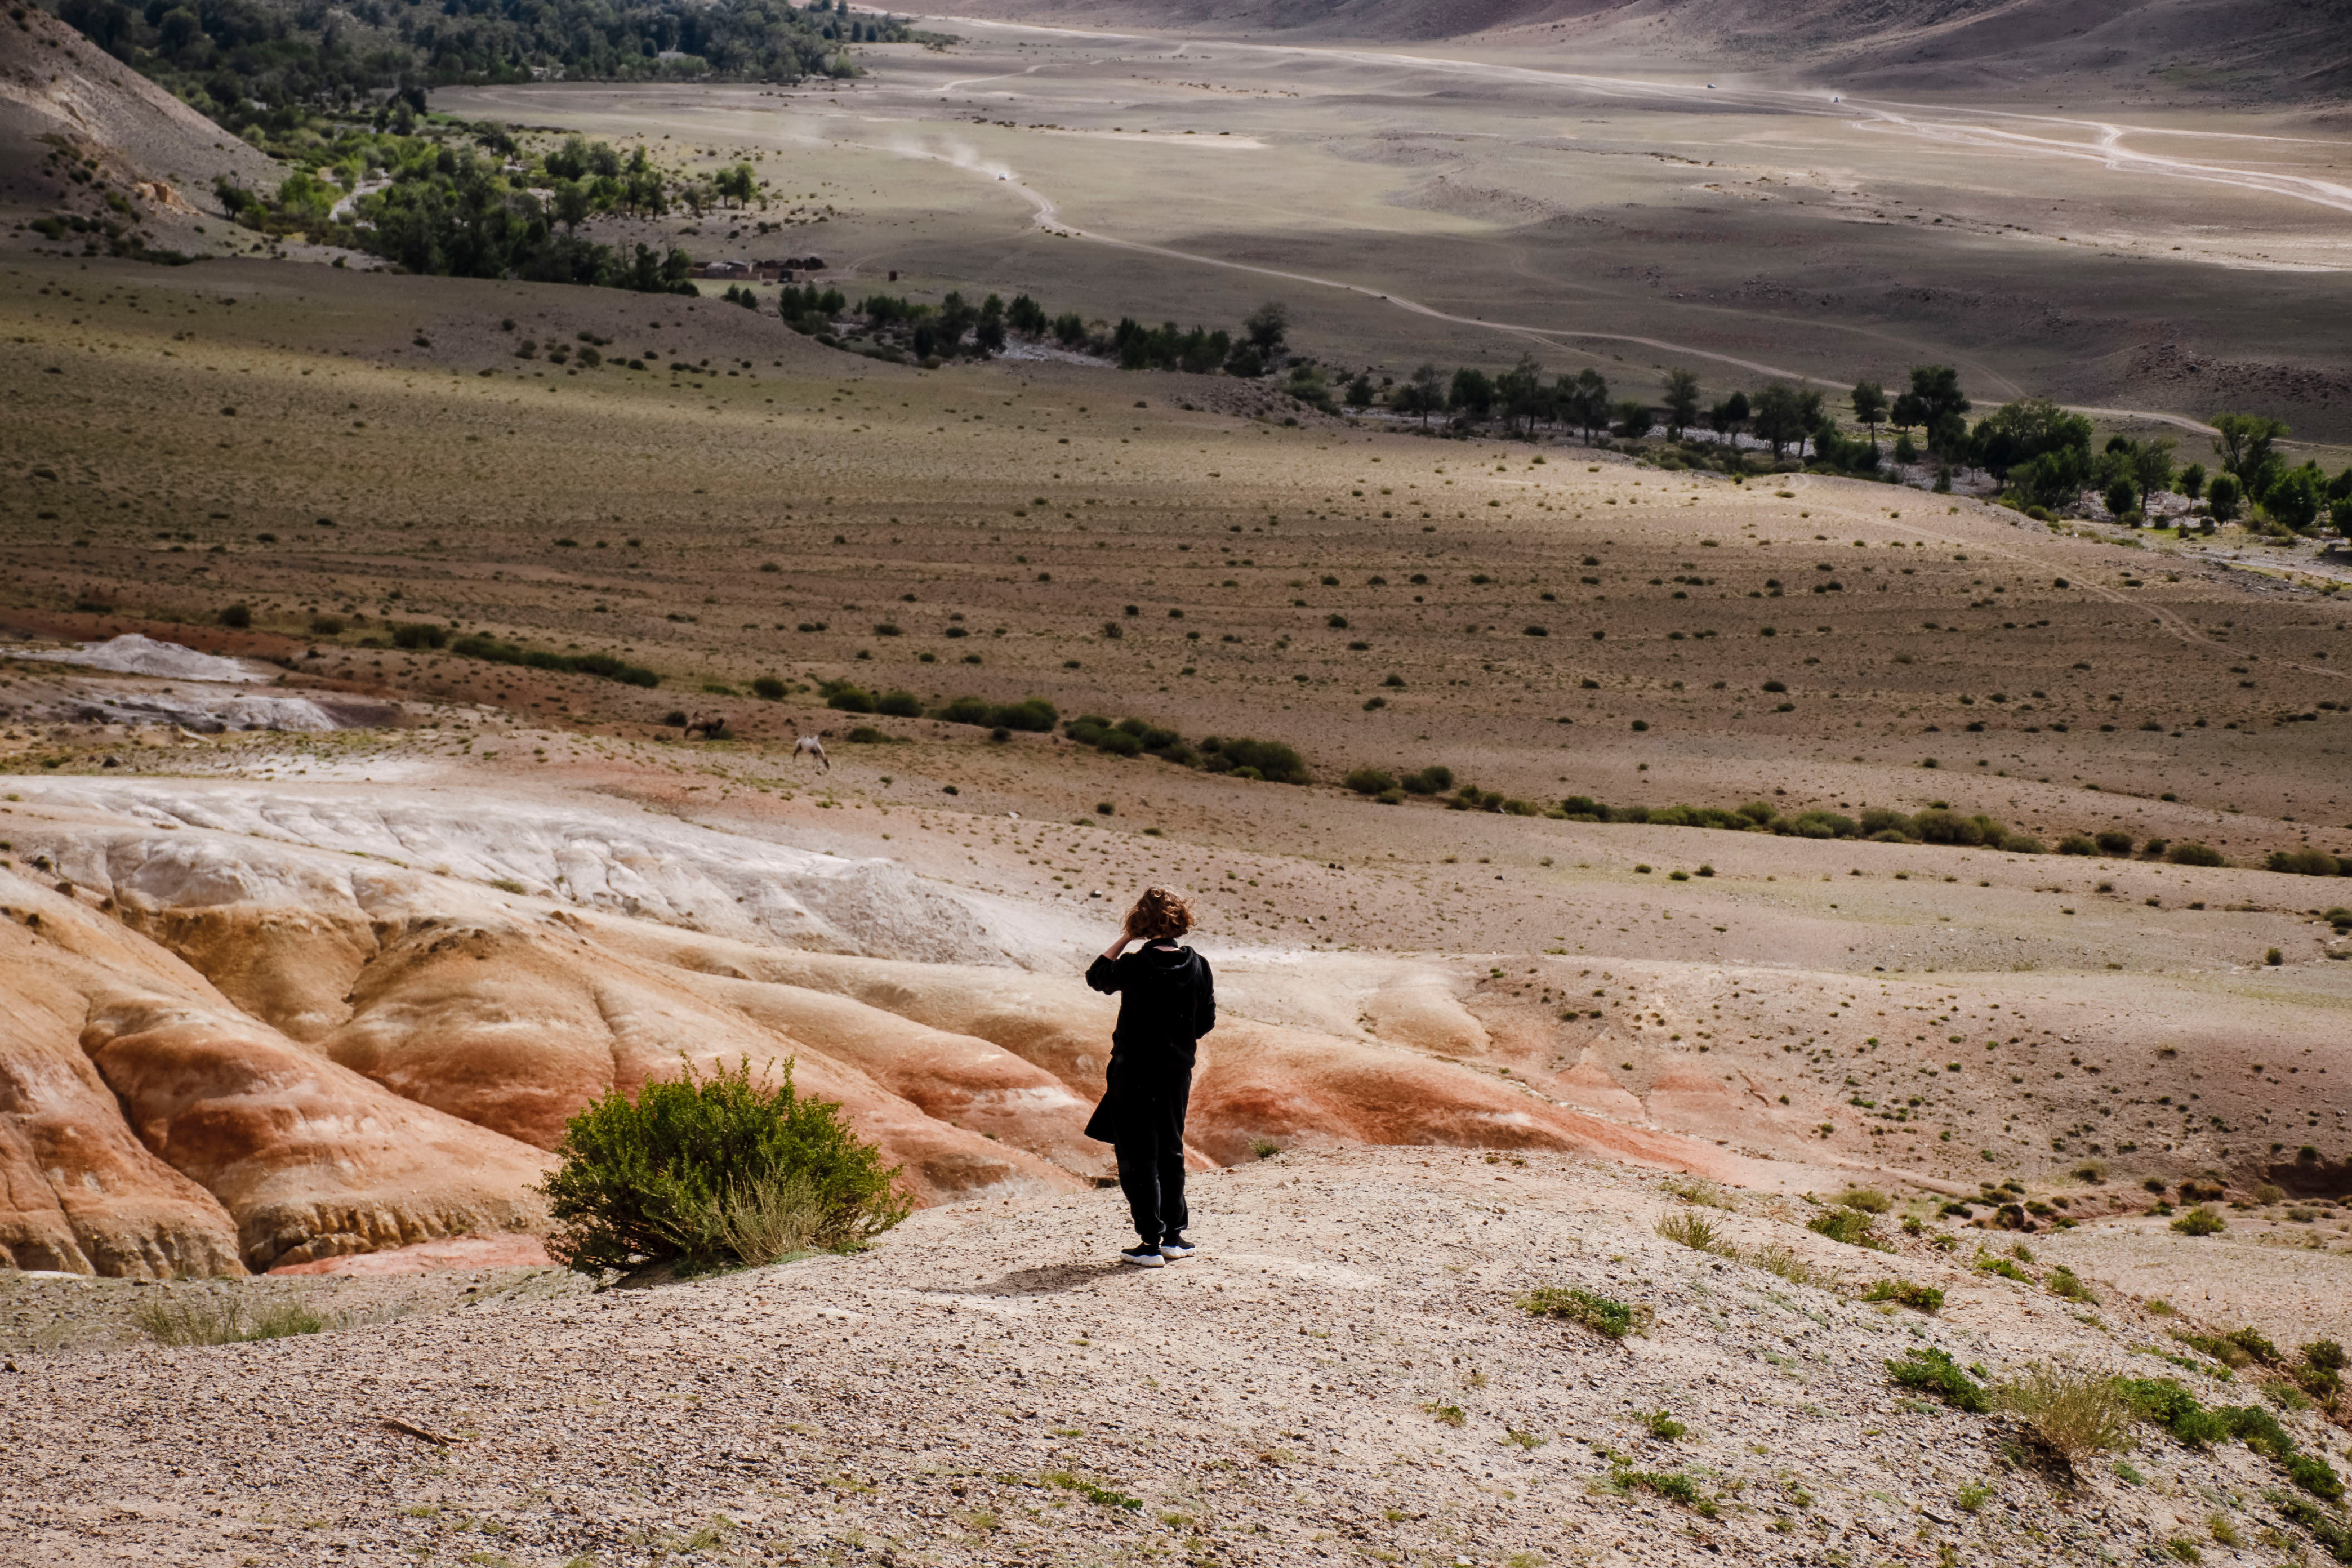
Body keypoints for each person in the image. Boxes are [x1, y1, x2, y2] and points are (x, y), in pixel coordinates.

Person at [1084, 887, 1216, 1268]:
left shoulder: (1134, 965)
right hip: (1176, 1073)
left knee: (1137, 1154)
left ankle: (1150, 1243)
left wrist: (1127, 937)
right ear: (1182, 922)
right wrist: (1176, 1038)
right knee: (1170, 1150)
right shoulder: (1199, 966)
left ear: (1141, 923)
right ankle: (1175, 1237)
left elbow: (1096, 976)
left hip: (1133, 1072)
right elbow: (1205, 1022)